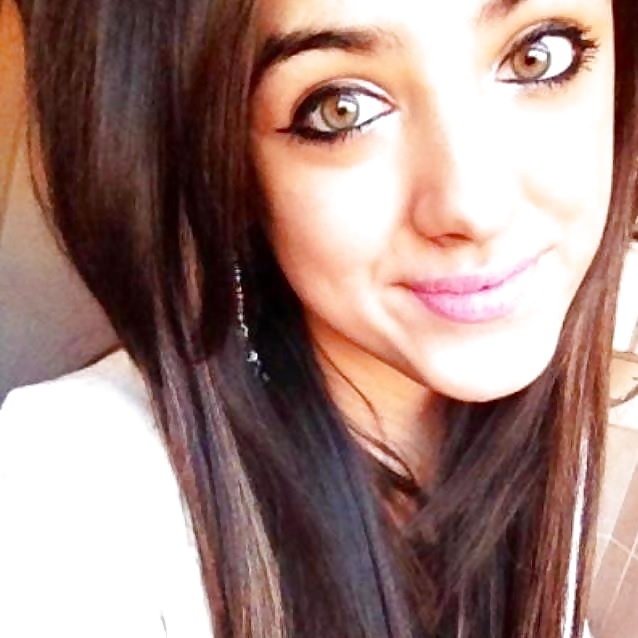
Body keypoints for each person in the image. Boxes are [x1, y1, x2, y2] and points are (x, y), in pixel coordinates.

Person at [0, 0, 634, 636]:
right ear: (226, 170)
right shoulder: (70, 487)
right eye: (341, 109)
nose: (476, 207)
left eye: (537, 57)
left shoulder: (533, 429)